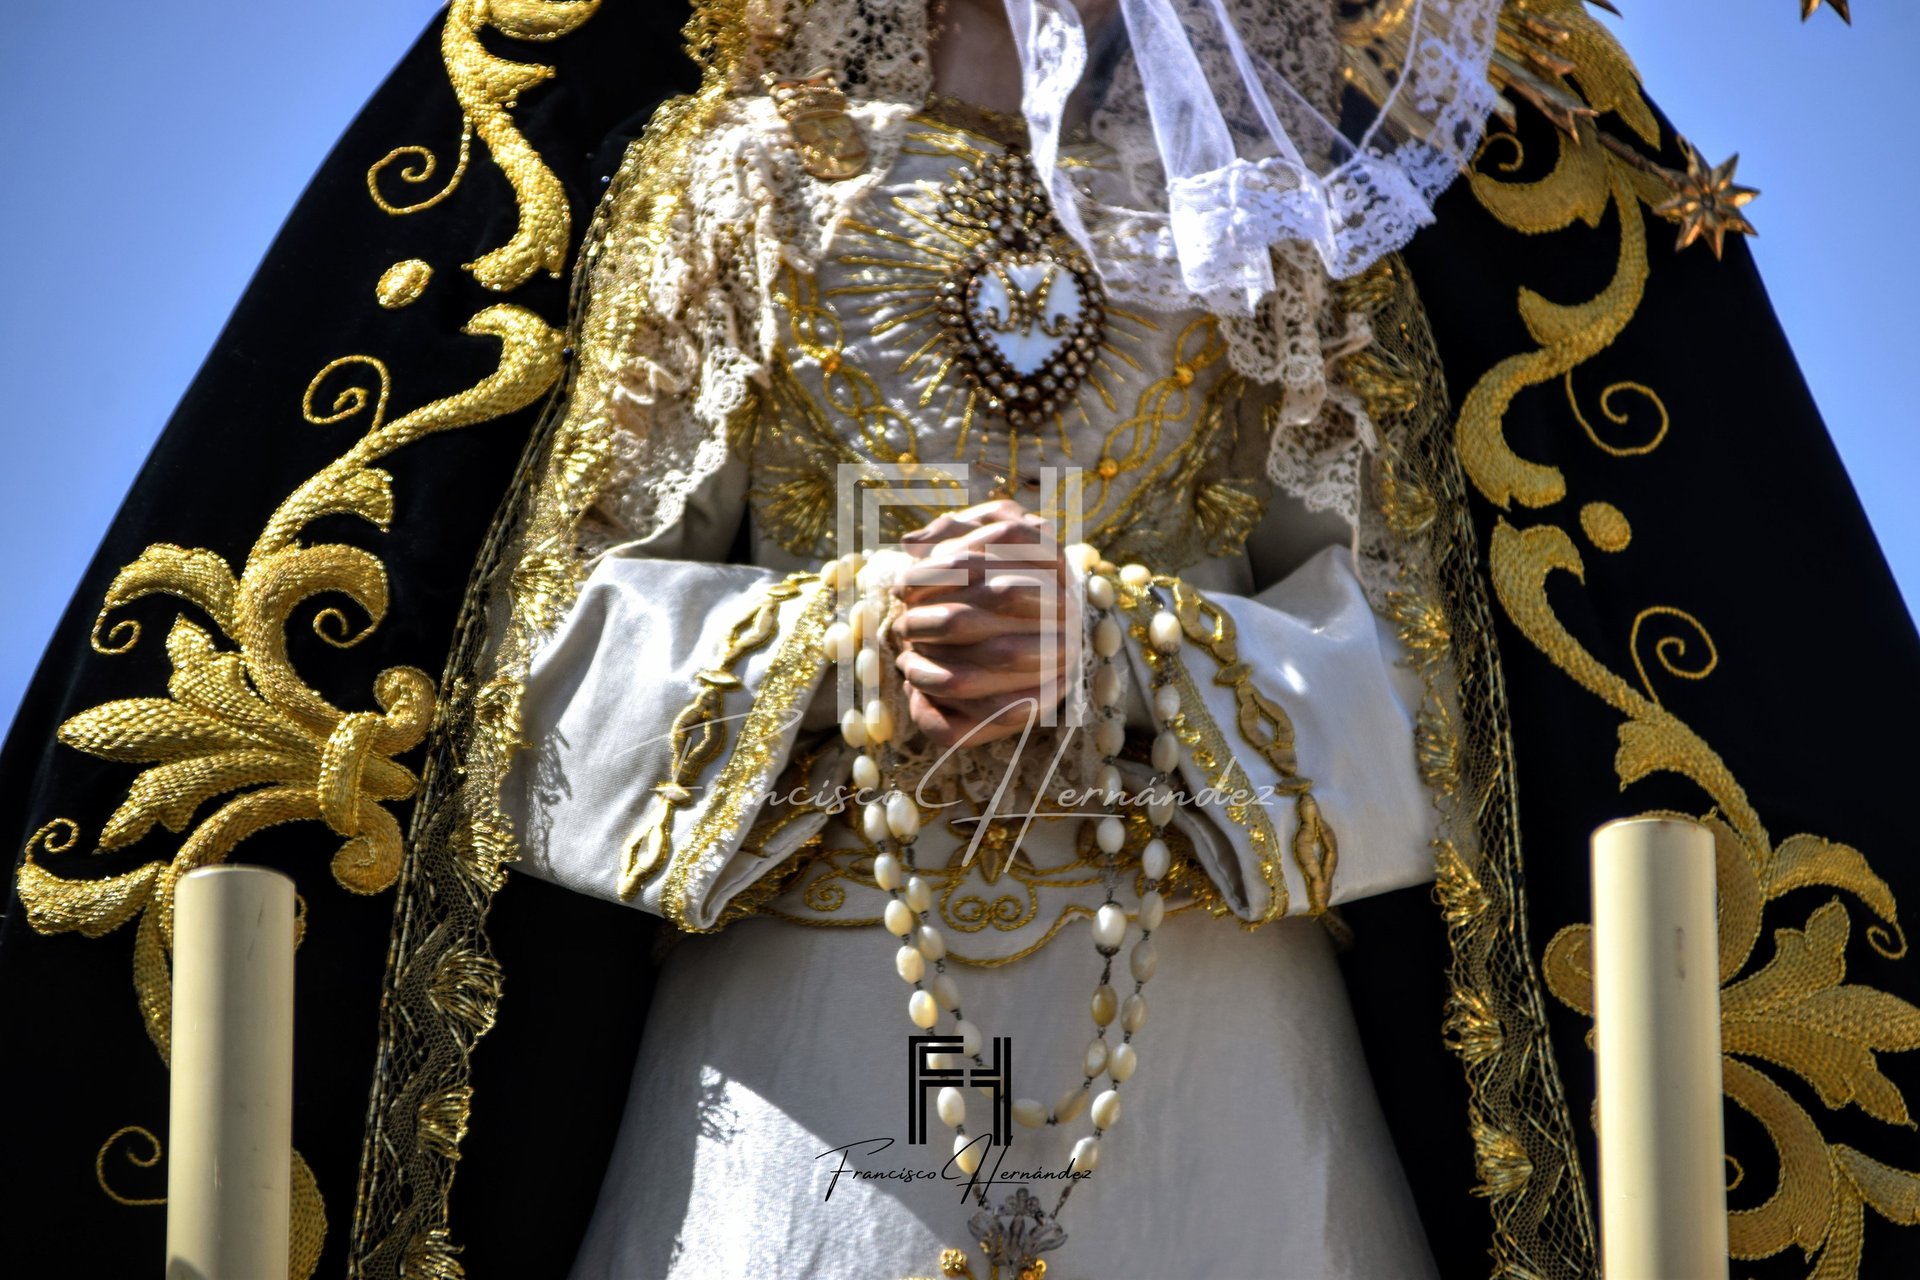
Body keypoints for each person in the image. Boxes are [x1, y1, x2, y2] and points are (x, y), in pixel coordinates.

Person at [491, 1, 1488, 1274]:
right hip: (811, 1026)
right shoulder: (746, 172)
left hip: (1208, 1043)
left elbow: (1428, 681)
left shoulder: (1271, 213)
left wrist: (1133, 649)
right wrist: (847, 634)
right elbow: (549, 659)